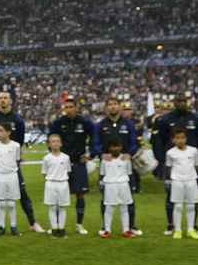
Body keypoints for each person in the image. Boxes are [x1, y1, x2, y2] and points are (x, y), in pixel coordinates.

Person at [0, 91, 43, 233]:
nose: (2, 100)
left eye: (5, 98)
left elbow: (20, 142)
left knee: (22, 191)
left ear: (11, 101)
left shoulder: (18, 120)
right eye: (0, 98)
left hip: (12, 163)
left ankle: (32, 222)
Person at [92, 96, 141, 236]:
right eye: (110, 104)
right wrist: (101, 153)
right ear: (106, 108)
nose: (112, 106)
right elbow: (94, 143)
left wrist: (130, 153)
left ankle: (131, 226)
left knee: (129, 199)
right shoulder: (100, 125)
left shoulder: (128, 124)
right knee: (106, 199)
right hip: (107, 164)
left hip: (124, 163)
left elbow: (134, 142)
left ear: (120, 106)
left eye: (115, 104)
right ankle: (105, 227)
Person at [158, 95, 198, 235]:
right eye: (179, 101)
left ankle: (193, 226)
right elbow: (160, 140)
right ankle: (171, 226)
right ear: (174, 103)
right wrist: (162, 161)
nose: (182, 104)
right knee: (173, 200)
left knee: (193, 201)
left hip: (190, 163)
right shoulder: (166, 119)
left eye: (184, 101)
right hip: (174, 165)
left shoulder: (195, 119)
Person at [49, 98, 95, 235]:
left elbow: (94, 137)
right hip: (62, 164)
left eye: (71, 106)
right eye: (66, 107)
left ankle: (79, 225)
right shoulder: (58, 123)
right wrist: (54, 155)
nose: (68, 109)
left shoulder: (84, 122)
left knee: (80, 195)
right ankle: (56, 225)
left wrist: (91, 154)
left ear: (76, 108)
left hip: (79, 163)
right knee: (58, 195)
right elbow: (50, 138)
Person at [165, 129, 198, 240]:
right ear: (173, 140)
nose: (180, 140)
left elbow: (197, 165)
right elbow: (168, 167)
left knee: (191, 206)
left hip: (191, 180)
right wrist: (168, 181)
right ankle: (178, 230)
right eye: (177, 138)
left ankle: (191, 230)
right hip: (177, 180)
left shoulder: (193, 150)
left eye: (182, 138)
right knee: (178, 206)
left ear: (186, 139)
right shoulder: (170, 153)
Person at [99, 139, 134, 239]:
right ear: (109, 148)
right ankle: (107, 230)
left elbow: (129, 173)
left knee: (124, 207)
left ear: (121, 147)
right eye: (113, 146)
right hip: (110, 185)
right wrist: (101, 185)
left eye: (117, 146)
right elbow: (102, 174)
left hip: (123, 185)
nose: (115, 148)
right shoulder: (105, 159)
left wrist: (131, 186)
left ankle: (126, 230)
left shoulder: (126, 159)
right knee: (109, 208)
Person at [0, 123, 22, 236]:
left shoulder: (16, 145)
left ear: (8, 132)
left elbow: (17, 159)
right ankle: (2, 227)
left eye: (1, 130)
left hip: (12, 175)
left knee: (12, 203)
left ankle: (13, 227)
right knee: (1, 203)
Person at [42, 134, 71, 238]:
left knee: (62, 207)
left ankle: (62, 229)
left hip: (63, 184)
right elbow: (44, 173)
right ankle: (54, 229)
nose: (55, 143)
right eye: (53, 141)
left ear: (61, 143)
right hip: (51, 184)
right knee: (52, 207)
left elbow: (68, 171)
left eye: (57, 141)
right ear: (49, 144)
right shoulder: (46, 158)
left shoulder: (66, 157)